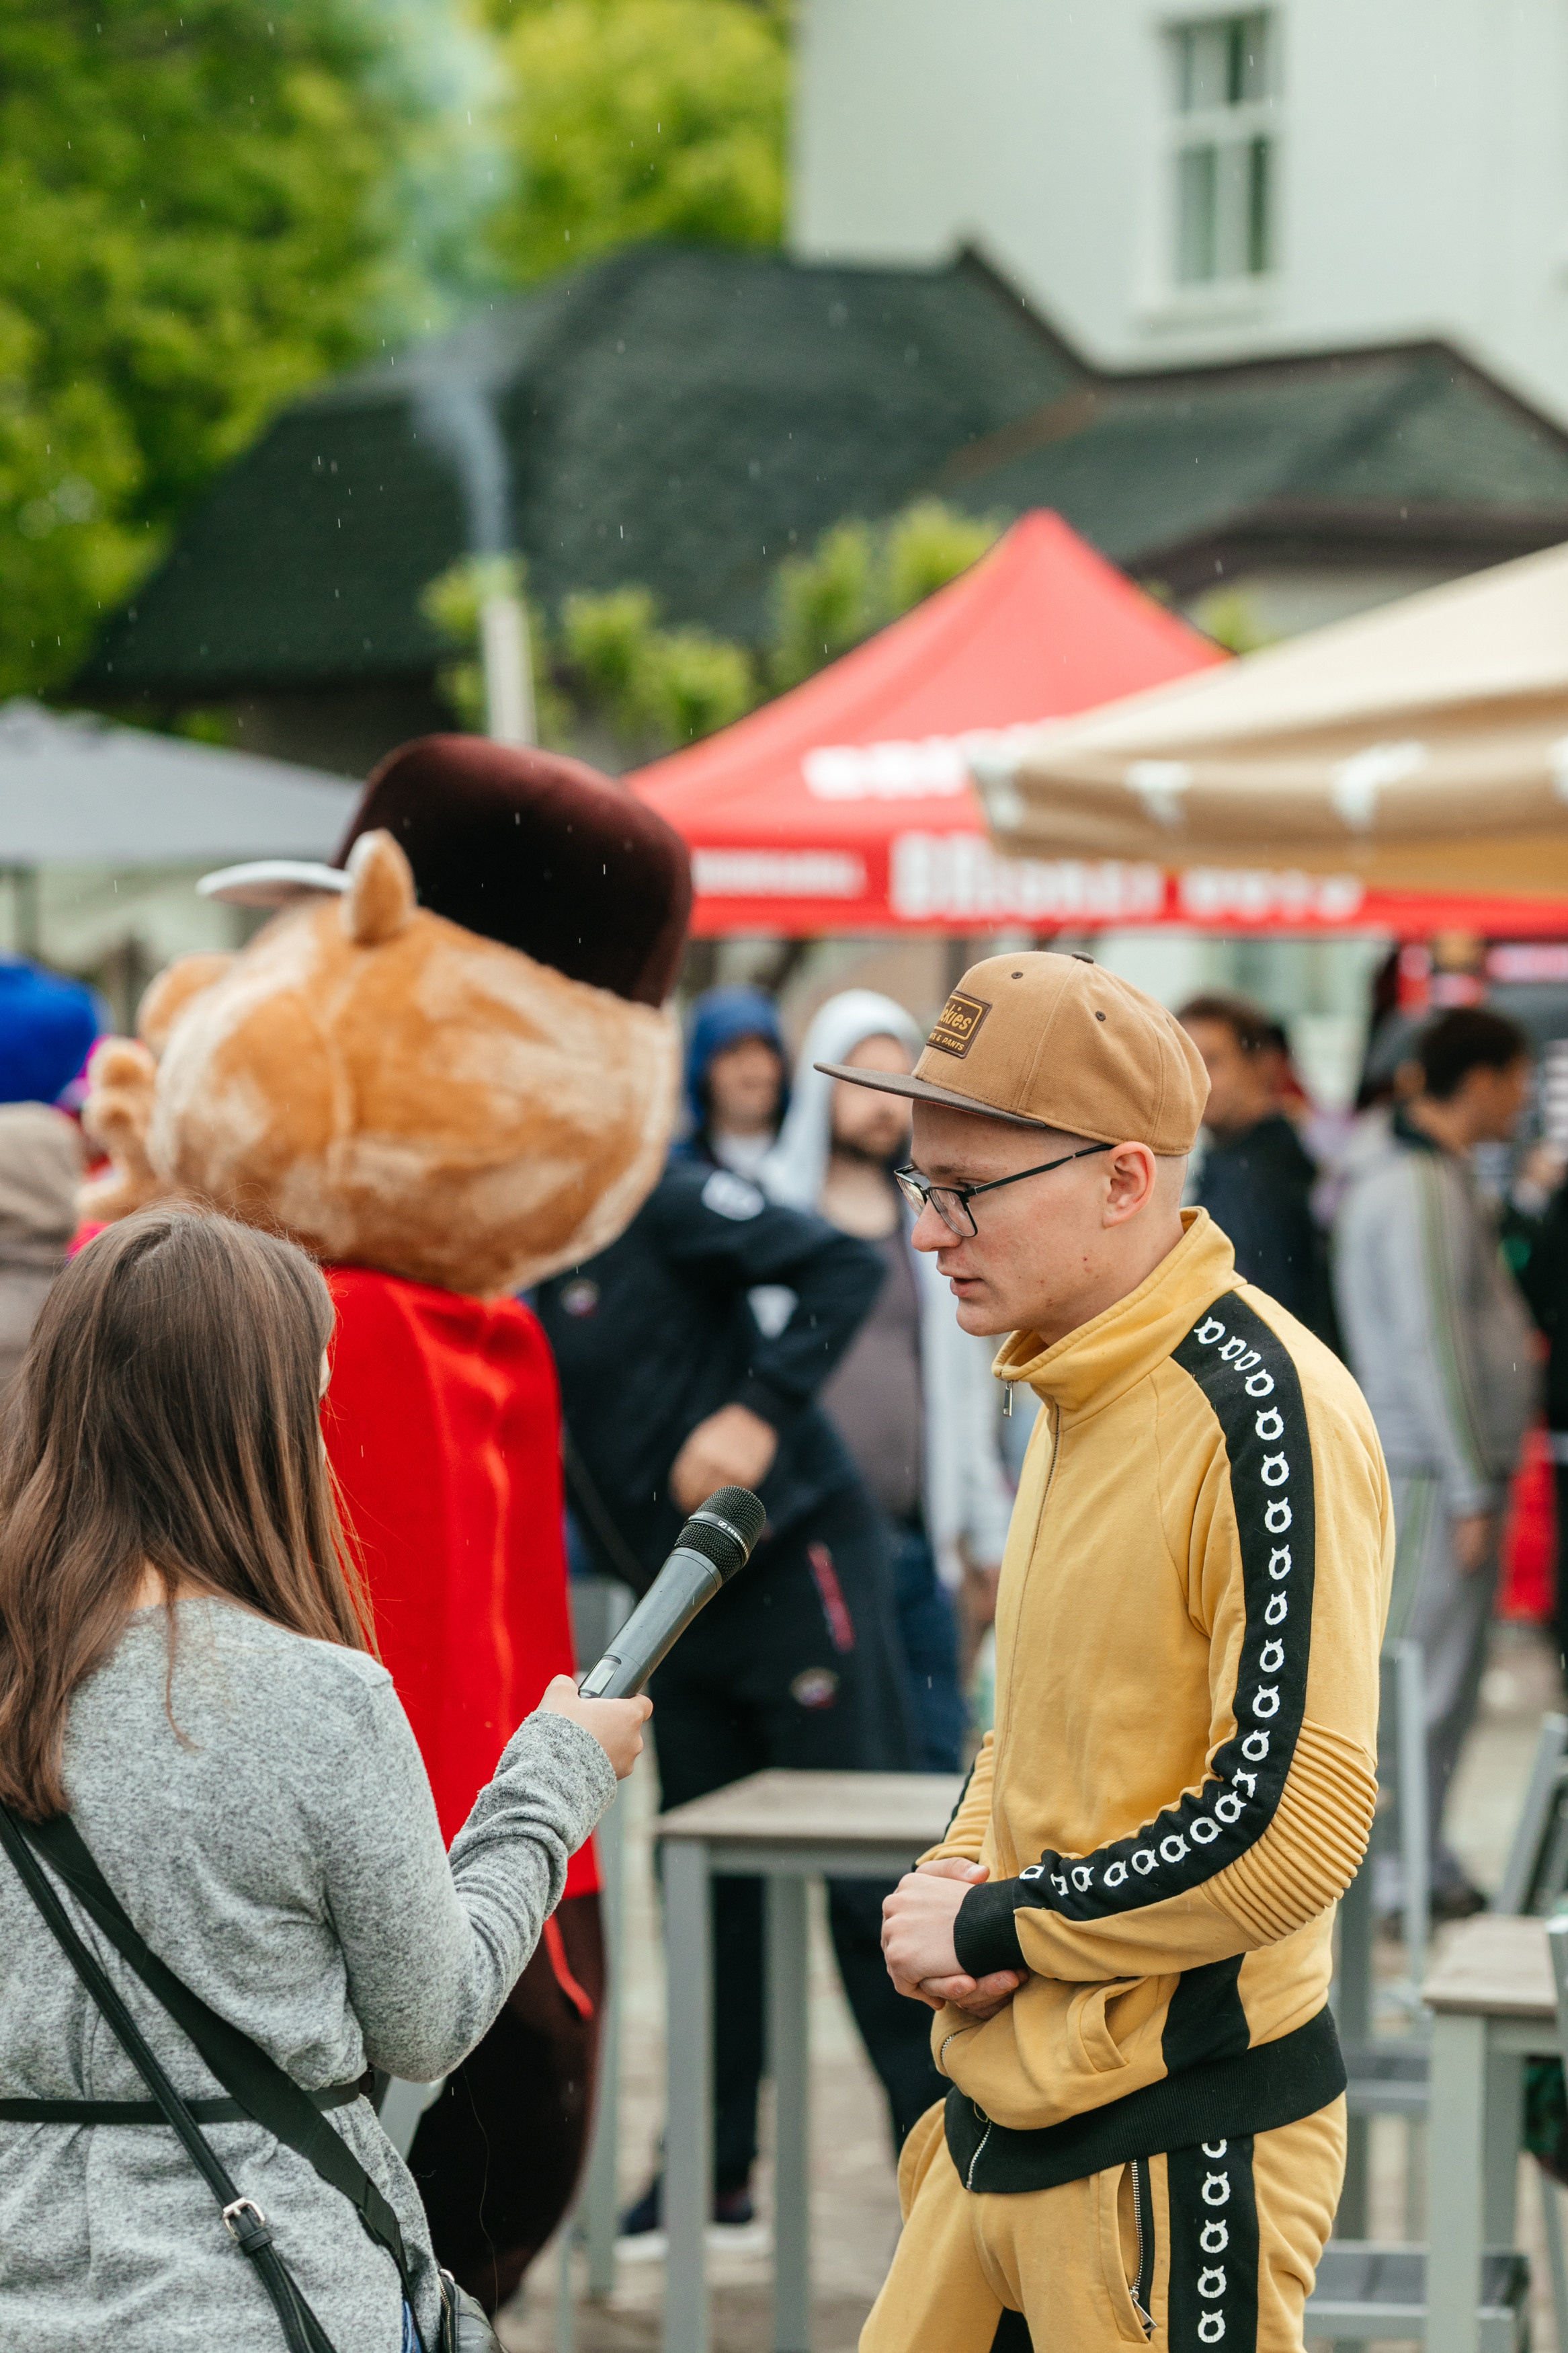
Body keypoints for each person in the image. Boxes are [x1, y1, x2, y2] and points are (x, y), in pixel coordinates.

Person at [837, 951, 1389, 2352]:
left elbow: (1290, 1822)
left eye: (964, 1190)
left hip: (1173, 2142)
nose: (929, 1230)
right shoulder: (1068, 1370)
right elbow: (1029, 1726)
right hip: (1006, 2114)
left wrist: (993, 1917)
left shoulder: (1259, 1407)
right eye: (922, 1185)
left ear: (1122, 1179)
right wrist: (963, 1859)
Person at [0, 1207, 649, 2352]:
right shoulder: (318, 1699)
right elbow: (427, 2021)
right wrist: (551, 1784)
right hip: (262, 2292)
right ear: (255, 1428)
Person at [536, 1148, 944, 2233]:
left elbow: (841, 1270)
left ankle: (950, 2164)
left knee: (869, 1886)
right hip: (676, 1604)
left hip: (792, 1560)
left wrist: (755, 1413)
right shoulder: (517, 1245)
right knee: (710, 1894)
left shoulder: (650, 1193)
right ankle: (710, 2166)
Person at [762, 990, 1014, 1769]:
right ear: (819, 1093)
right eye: (860, 1084)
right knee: (833, 1767)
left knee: (933, 1753)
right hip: (802, 1555)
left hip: (912, 1549)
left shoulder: (929, 1226)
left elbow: (960, 1395)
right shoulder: (770, 1220)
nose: (880, 1108)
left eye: (895, 1086)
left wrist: (985, 1531)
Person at [1334, 1004, 1538, 1920]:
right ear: (1485, 1078)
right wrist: (1465, 1483)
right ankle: (1392, 1873)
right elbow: (1433, 1346)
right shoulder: (1411, 1184)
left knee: (1439, 1684)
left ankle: (1422, 1861)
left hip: (1443, 1470)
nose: (1526, 1097)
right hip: (1426, 1473)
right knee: (1416, 1681)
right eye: (1519, 1077)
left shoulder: (1428, 1172)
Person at [1179, 992, 1336, 1343]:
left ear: (1262, 1065)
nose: (1197, 1081)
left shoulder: (1262, 1172)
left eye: (1213, 1061)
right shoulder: (1239, 1158)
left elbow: (1273, 1305)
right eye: (1185, 1062)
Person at [679, 984, 788, 1175]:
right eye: (733, 1052)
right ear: (702, 1069)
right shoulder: (677, 1173)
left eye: (764, 1051)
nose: (753, 1072)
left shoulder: (815, 1166)